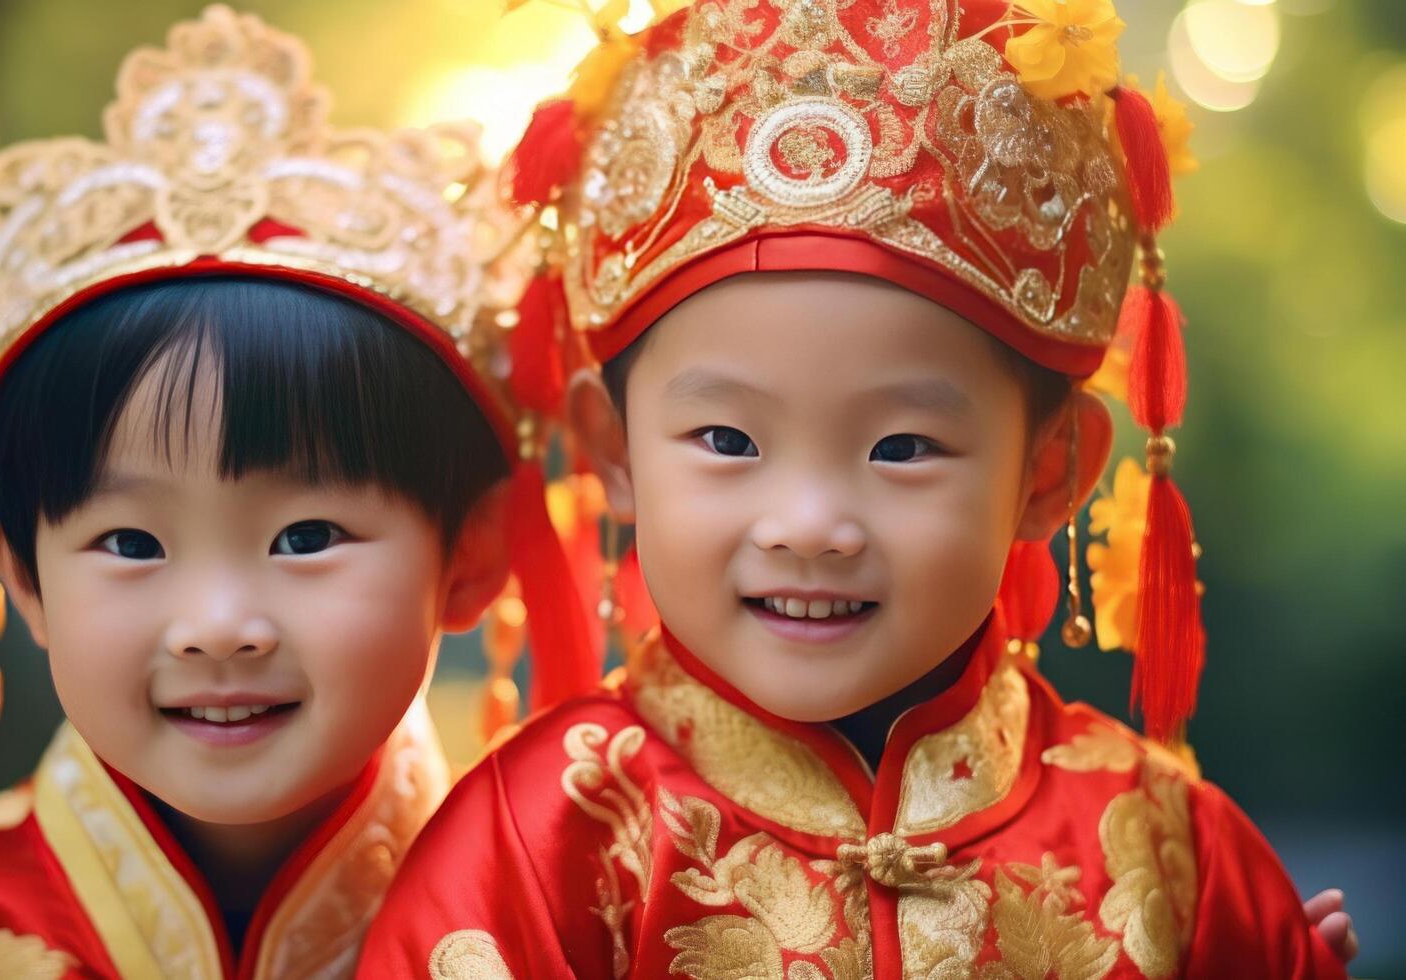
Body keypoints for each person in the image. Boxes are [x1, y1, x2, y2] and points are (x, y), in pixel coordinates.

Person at [360, 0, 1351, 975]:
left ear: (1049, 472)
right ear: (612, 449)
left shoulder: (1170, 850)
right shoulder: (537, 847)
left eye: (904, 447)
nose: (811, 525)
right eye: (726, 437)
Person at [0, 7, 593, 977]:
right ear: (20, 571)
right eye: (130, 543)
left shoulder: (569, 932)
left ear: (472, 552)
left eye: (305, 536)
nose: (216, 626)